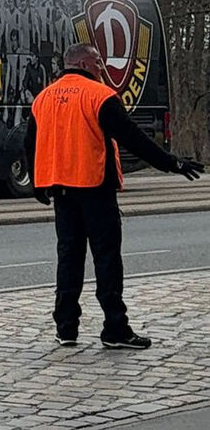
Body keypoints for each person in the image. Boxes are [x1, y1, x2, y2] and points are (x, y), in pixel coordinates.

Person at [25, 43, 204, 349]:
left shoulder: (43, 98)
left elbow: (32, 144)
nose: (102, 68)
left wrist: (37, 184)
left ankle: (66, 327)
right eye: (97, 62)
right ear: (82, 63)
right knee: (107, 259)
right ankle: (115, 329)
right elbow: (133, 138)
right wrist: (172, 163)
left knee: (69, 258)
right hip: (95, 188)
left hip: (61, 191)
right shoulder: (99, 96)